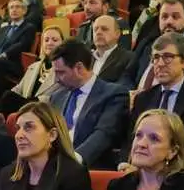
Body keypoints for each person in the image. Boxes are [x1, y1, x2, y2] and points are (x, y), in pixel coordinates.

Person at [125, 33, 184, 161]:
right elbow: (130, 141)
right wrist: (125, 163)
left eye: (168, 57)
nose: (160, 63)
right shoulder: (143, 99)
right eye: (156, 57)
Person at [47, 40, 127, 169]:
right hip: (54, 165)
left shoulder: (113, 94)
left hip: (87, 167)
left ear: (79, 68)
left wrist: (74, 160)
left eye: (61, 73)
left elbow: (104, 134)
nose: (56, 79)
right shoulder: (57, 97)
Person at [1, 25, 64, 114]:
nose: (50, 43)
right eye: (46, 40)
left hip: (45, 109)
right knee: (7, 96)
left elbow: (58, 96)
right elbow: (19, 88)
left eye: (55, 40)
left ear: (62, 43)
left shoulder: (65, 69)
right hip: (26, 104)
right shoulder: (34, 66)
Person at [0, 0, 37, 96]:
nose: (14, 10)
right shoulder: (4, 28)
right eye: (11, 7)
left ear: (24, 10)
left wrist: (2, 55)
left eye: (17, 7)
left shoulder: (29, 27)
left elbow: (22, 45)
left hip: (14, 63)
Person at [90, 15, 134, 83]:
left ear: (117, 34)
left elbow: (122, 89)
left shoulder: (128, 58)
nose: (98, 32)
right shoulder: (85, 58)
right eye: (95, 29)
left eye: (104, 29)